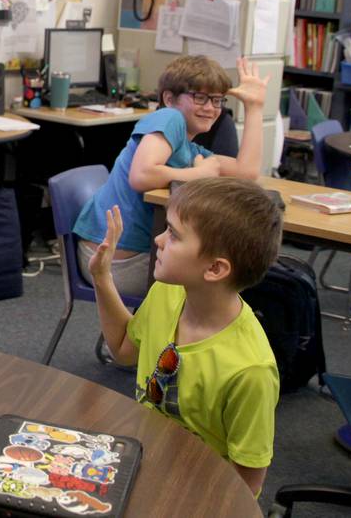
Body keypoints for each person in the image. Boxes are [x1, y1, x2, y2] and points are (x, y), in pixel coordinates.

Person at [89, 178, 281, 495]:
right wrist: (101, 278)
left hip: (192, 493)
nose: (158, 240)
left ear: (215, 269)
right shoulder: (168, 292)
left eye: (174, 235)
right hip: (143, 460)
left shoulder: (250, 371)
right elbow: (124, 349)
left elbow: (247, 484)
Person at [72, 54, 267, 296]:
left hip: (124, 255)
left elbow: (246, 173)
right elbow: (141, 176)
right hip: (112, 261)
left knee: (223, 271)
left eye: (217, 100)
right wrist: (197, 174)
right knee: (222, 278)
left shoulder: (190, 149)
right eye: (200, 97)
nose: (210, 108)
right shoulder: (169, 117)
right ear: (169, 98)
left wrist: (254, 107)